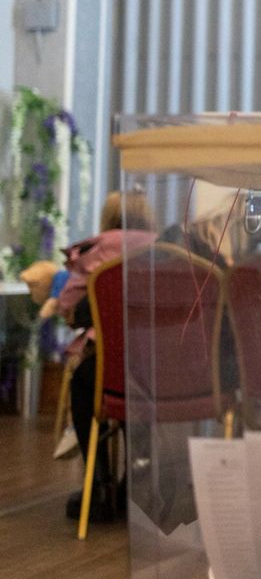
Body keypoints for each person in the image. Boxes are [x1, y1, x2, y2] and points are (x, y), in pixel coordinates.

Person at [59, 190, 157, 522]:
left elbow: (68, 309)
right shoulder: (170, 248)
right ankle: (138, 482)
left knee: (87, 381)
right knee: (138, 384)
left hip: (113, 363)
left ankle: (99, 486)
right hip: (164, 370)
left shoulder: (96, 249)